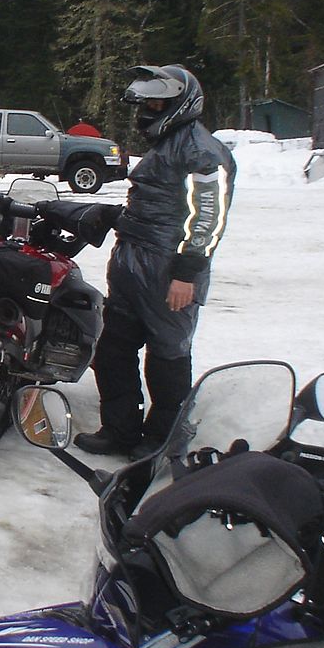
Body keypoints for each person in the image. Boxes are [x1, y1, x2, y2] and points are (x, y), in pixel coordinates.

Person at [75, 65, 235, 462]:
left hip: (169, 269)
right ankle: (119, 429)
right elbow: (154, 201)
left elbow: (208, 217)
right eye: (147, 102)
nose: (148, 109)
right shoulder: (166, 144)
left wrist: (187, 273)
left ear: (181, 102)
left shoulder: (202, 151)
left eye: (157, 102)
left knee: (167, 358)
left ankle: (162, 440)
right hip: (132, 263)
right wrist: (114, 217)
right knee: (113, 351)